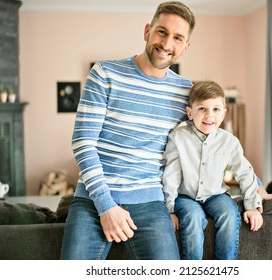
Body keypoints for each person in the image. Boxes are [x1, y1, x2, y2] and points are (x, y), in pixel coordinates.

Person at [61, 1, 196, 260]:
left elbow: (206, 140)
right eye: (162, 32)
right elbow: (82, 142)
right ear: (147, 31)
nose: (167, 44)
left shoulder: (185, 92)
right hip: (93, 199)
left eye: (177, 38)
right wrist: (106, 206)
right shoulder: (104, 73)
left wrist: (252, 183)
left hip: (150, 202)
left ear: (185, 47)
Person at [163, 80, 264, 260]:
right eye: (202, 109)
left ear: (224, 113)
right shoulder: (178, 138)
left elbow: (245, 172)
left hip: (216, 195)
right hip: (185, 197)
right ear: (189, 113)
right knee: (194, 218)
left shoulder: (229, 141)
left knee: (230, 214)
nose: (209, 115)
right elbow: (171, 175)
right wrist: (169, 210)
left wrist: (253, 206)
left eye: (216, 109)